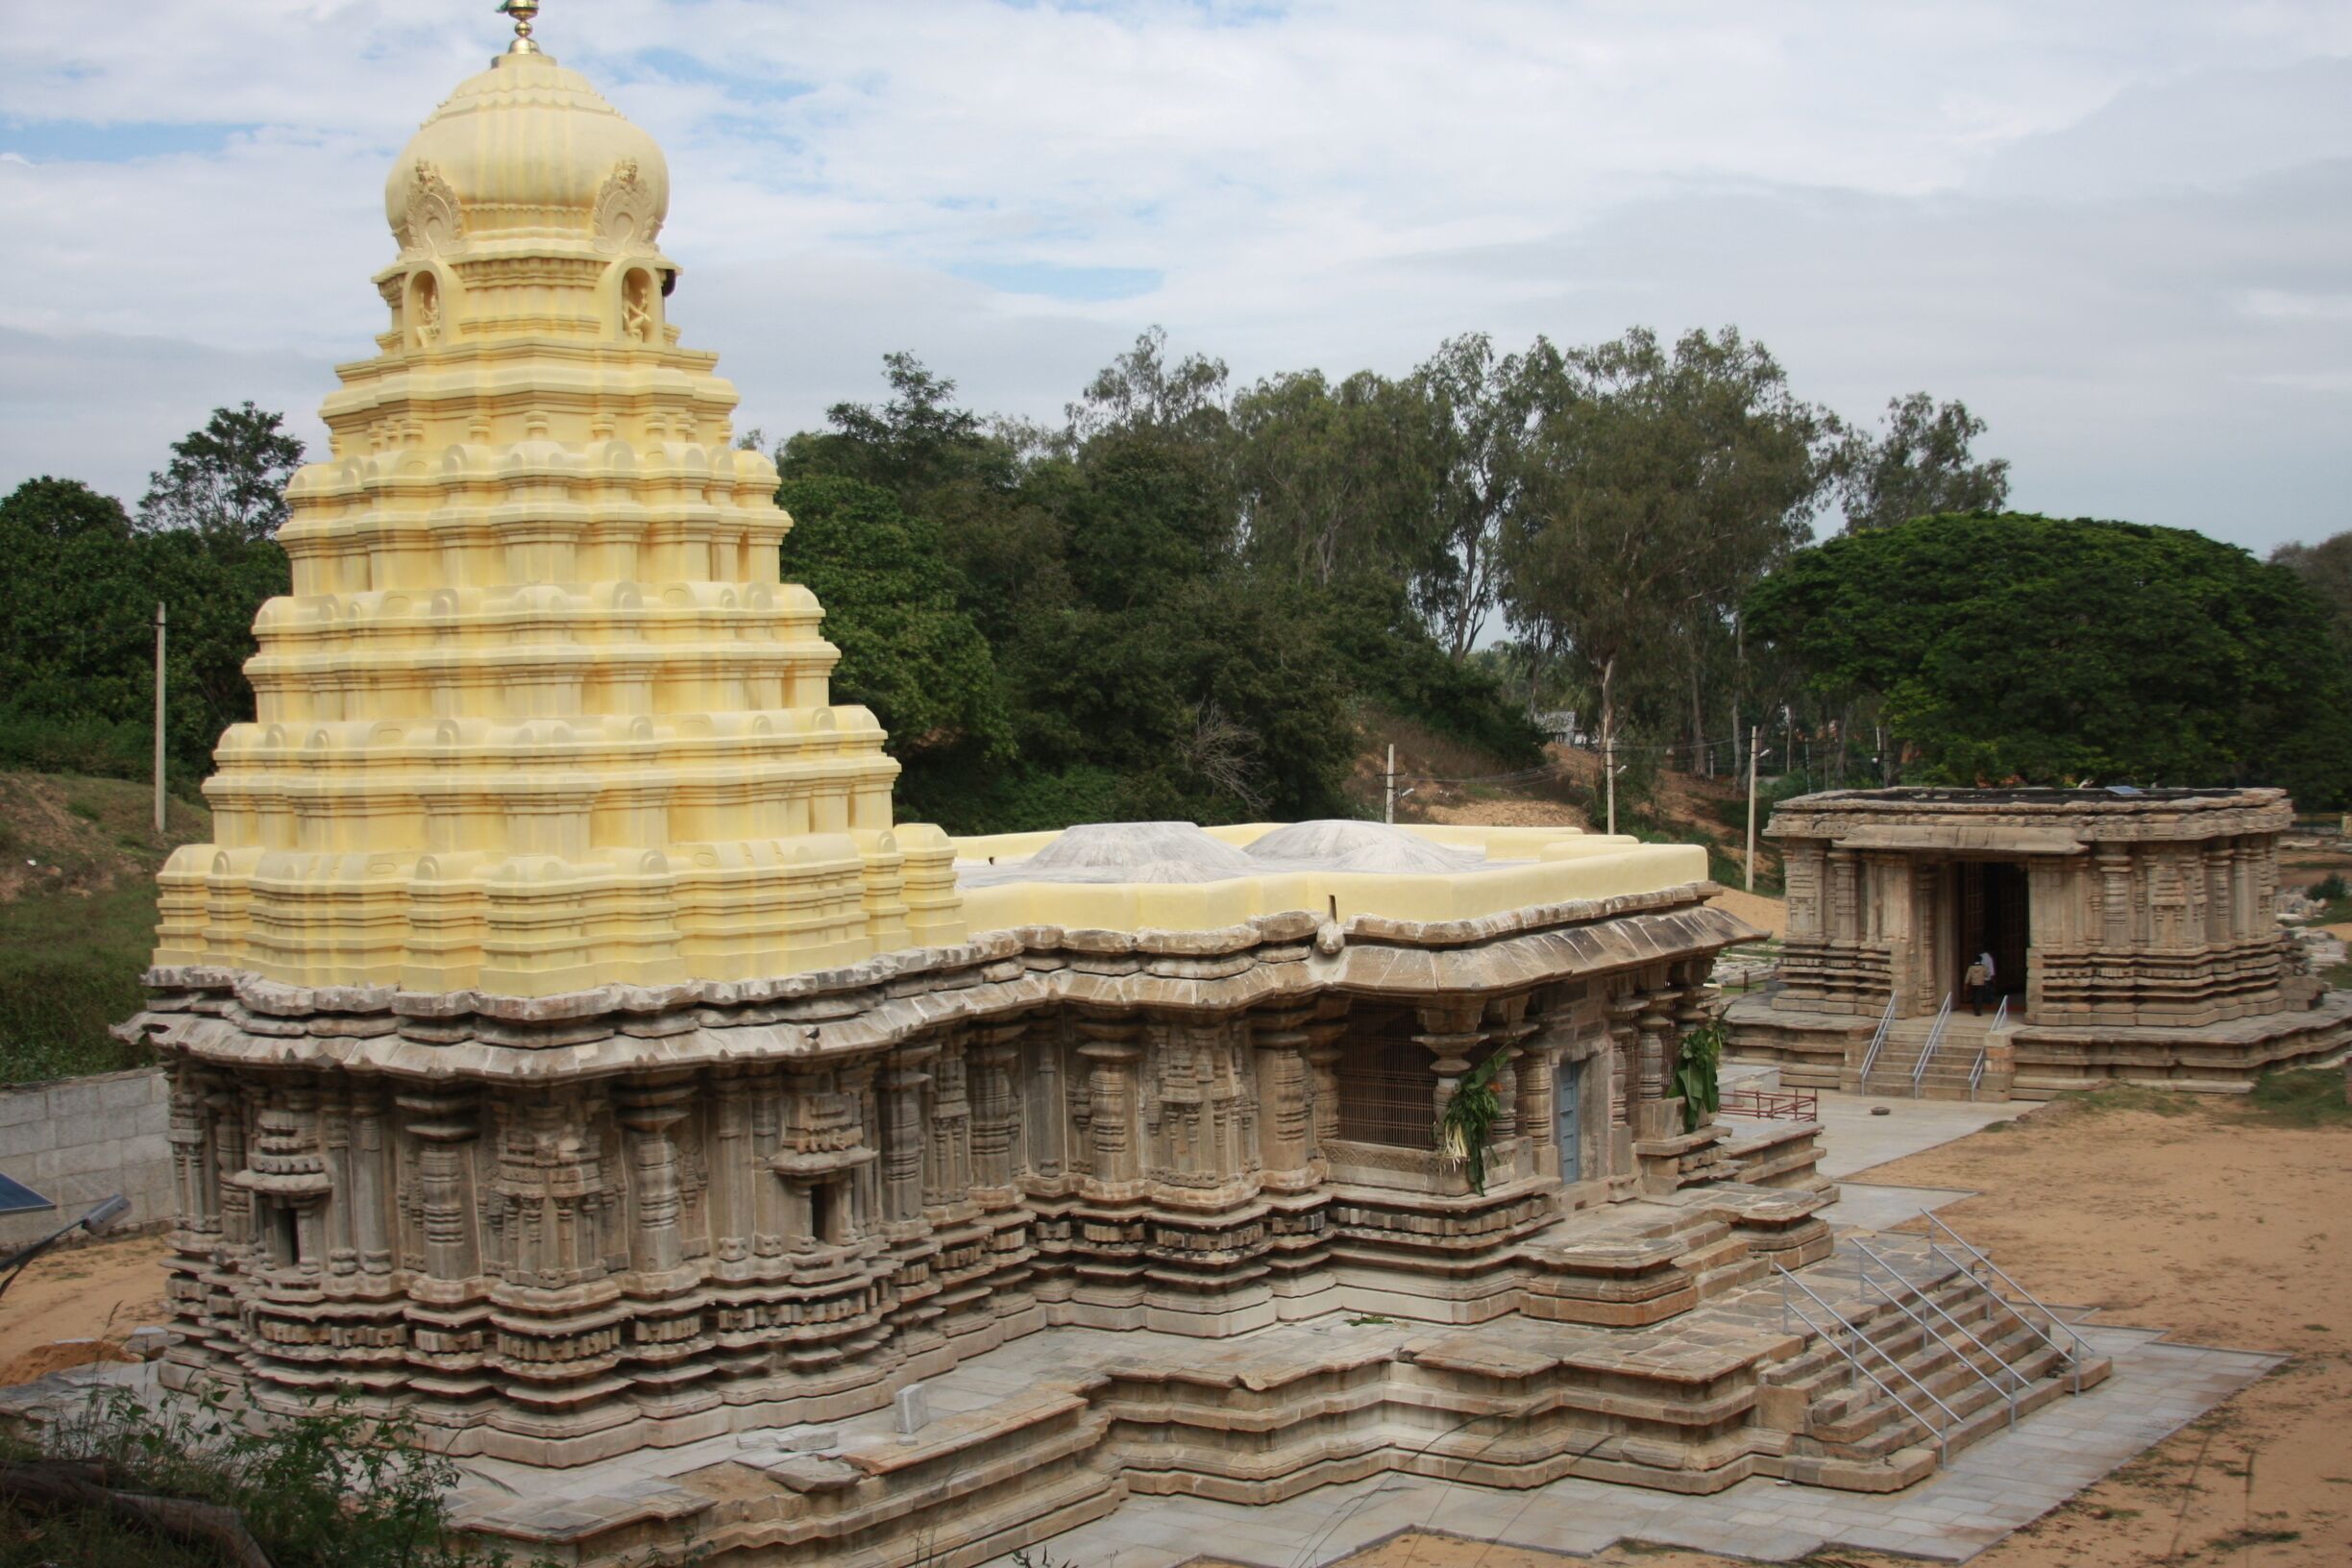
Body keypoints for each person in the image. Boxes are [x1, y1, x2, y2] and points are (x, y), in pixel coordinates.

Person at [1967, 950, 1996, 1015]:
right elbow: (1987, 974)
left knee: (1974, 996)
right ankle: (1978, 1010)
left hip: (1973, 983)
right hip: (1980, 983)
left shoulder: (1971, 967)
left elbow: (1968, 976)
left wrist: (1966, 983)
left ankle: (1974, 1008)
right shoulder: (1983, 967)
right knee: (1979, 997)